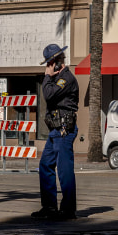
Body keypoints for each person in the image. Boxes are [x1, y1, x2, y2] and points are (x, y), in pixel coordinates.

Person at [31, 44, 79, 221]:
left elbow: (49, 95)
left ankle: (68, 210)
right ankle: (49, 207)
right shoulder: (56, 79)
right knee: (45, 165)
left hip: (64, 130)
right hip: (55, 130)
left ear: (57, 63)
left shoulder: (65, 79)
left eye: (50, 63)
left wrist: (46, 77)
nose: (48, 67)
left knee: (64, 170)